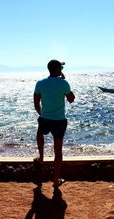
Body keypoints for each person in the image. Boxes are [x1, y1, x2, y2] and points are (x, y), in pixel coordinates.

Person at [33, 59, 75, 187]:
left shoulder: (40, 83)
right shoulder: (63, 83)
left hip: (45, 119)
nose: (62, 70)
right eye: (61, 68)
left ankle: (41, 158)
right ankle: (56, 180)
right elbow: (71, 99)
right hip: (59, 121)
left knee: (40, 134)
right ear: (57, 70)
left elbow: (36, 103)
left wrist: (42, 114)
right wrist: (63, 81)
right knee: (58, 150)